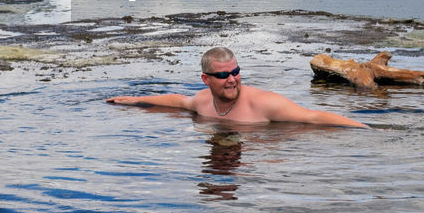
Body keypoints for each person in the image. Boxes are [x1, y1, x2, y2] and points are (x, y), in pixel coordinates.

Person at [107, 46, 369, 128]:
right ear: (206, 79)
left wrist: (365, 128)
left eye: (235, 72)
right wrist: (135, 101)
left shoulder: (264, 103)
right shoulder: (202, 102)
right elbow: (178, 102)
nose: (232, 79)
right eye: (223, 75)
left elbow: (313, 117)